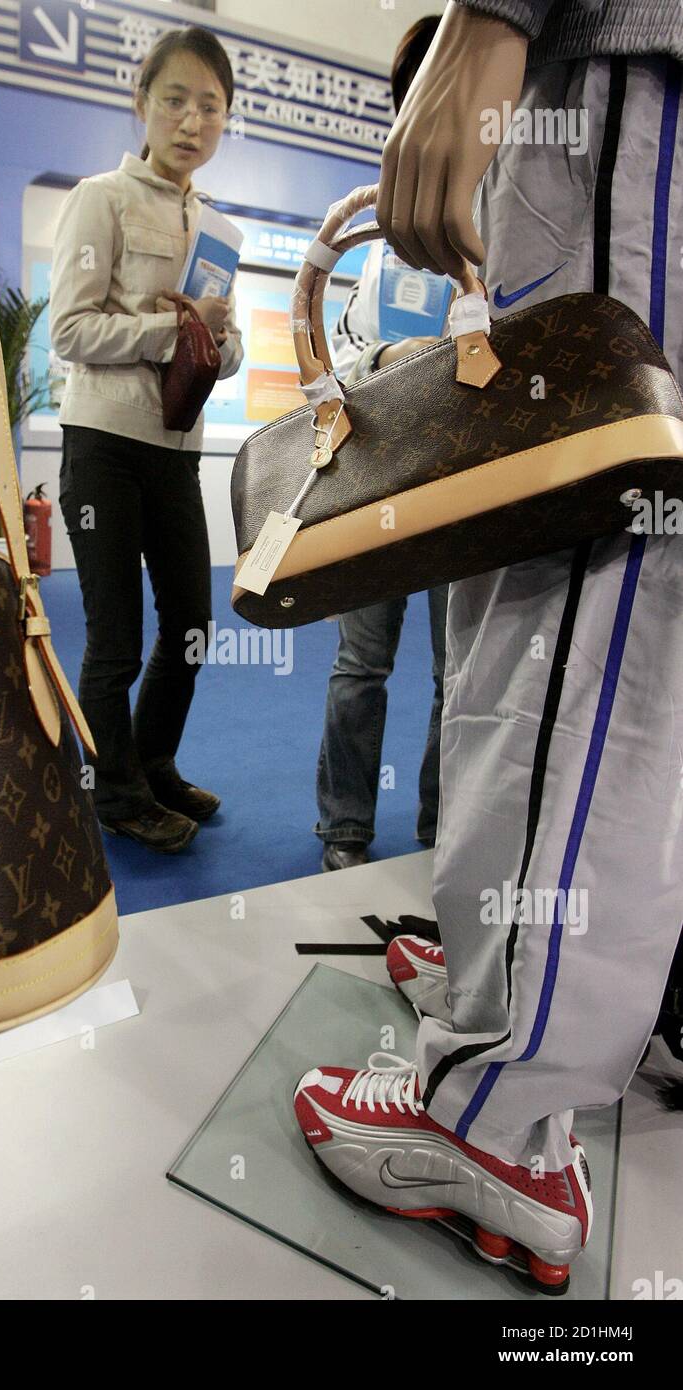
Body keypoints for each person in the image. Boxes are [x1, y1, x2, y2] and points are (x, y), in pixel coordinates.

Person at [295, 0, 683, 1288]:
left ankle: (501, 1115)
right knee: (536, 592)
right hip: (612, 84)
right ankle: (494, 972)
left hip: (634, 69)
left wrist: (496, 16)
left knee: (597, 606)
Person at [49, 27, 243, 854]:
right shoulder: (102, 197)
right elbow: (69, 329)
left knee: (192, 626)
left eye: (211, 107)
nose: (192, 121)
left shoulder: (221, 231)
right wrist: (167, 334)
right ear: (142, 103)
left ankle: (154, 761)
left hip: (178, 449)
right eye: (176, 100)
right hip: (103, 443)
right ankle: (115, 791)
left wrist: (219, 343)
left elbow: (225, 350)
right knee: (115, 636)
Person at [315, 16, 448, 873]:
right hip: (374, 483)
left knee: (457, 677)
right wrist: (388, 357)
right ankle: (343, 832)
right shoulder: (375, 246)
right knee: (360, 666)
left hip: (460, 482)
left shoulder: (497, 236)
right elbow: (341, 358)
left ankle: (443, 827)